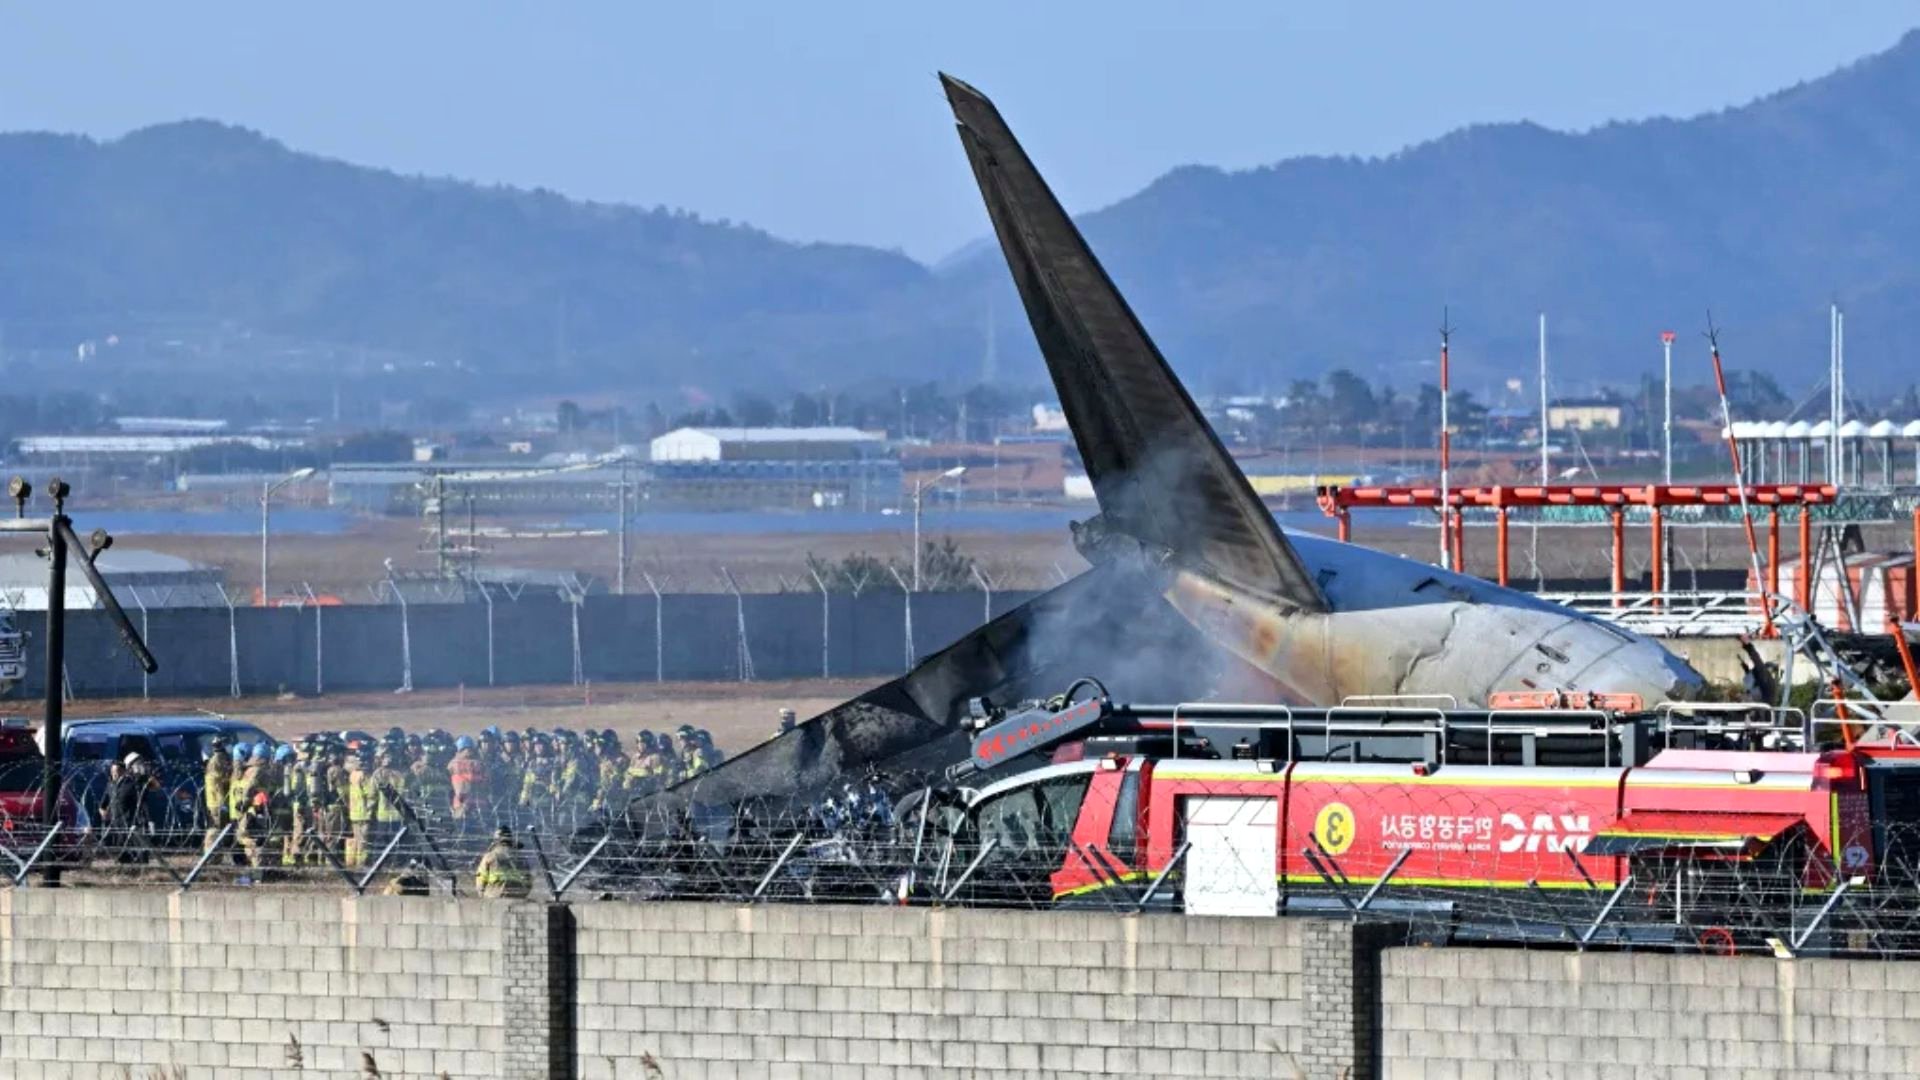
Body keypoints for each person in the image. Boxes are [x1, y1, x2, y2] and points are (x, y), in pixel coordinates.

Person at [474, 825, 532, 898]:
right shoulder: (521, 857)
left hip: (494, 896)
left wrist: (482, 895)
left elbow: (480, 879)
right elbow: (528, 881)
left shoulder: (490, 856)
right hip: (518, 897)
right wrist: (522, 895)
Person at [202, 735, 233, 853]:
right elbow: (217, 783)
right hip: (217, 802)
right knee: (216, 830)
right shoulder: (218, 760)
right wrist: (222, 803)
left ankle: (215, 855)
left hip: (217, 800)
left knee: (220, 830)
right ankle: (211, 856)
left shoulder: (220, 758)